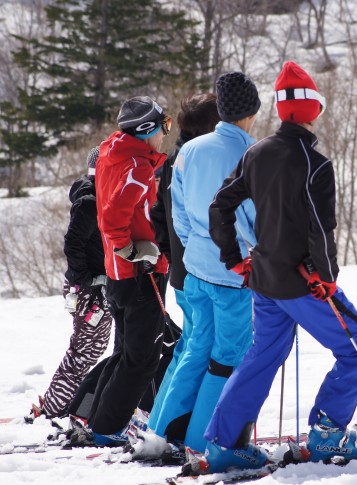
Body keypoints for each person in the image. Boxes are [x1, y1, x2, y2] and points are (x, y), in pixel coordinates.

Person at [202, 61, 357, 472]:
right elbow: (320, 226)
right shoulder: (316, 164)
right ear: (313, 109)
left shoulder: (256, 152)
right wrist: (327, 279)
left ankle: (224, 444)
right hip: (302, 284)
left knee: (264, 354)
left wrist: (233, 260)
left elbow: (220, 206)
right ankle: (326, 434)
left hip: (263, 280)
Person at [150, 74, 259, 453]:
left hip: (194, 266)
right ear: (252, 111)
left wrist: (197, 243)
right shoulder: (252, 154)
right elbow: (258, 220)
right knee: (227, 357)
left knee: (196, 346)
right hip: (232, 272)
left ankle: (161, 431)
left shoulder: (189, 151)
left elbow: (177, 216)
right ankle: (207, 442)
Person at [73, 96, 171, 446]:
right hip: (137, 274)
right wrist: (131, 248)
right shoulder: (136, 167)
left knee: (126, 354)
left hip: (119, 275)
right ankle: (107, 429)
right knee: (142, 360)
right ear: (148, 130)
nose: (166, 134)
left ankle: (96, 419)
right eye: (165, 126)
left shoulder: (113, 152)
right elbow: (112, 217)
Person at [146, 93, 221, 440]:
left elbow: (159, 217)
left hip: (182, 272)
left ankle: (161, 426)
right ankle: (174, 430)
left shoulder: (173, 160)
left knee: (190, 346)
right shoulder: (200, 160)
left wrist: (172, 257)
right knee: (199, 350)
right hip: (200, 271)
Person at [28, 147, 113, 422]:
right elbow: (73, 244)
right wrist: (87, 282)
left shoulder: (96, 195)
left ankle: (67, 403)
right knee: (83, 352)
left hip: (96, 286)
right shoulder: (90, 201)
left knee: (94, 349)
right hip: (87, 289)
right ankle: (54, 408)